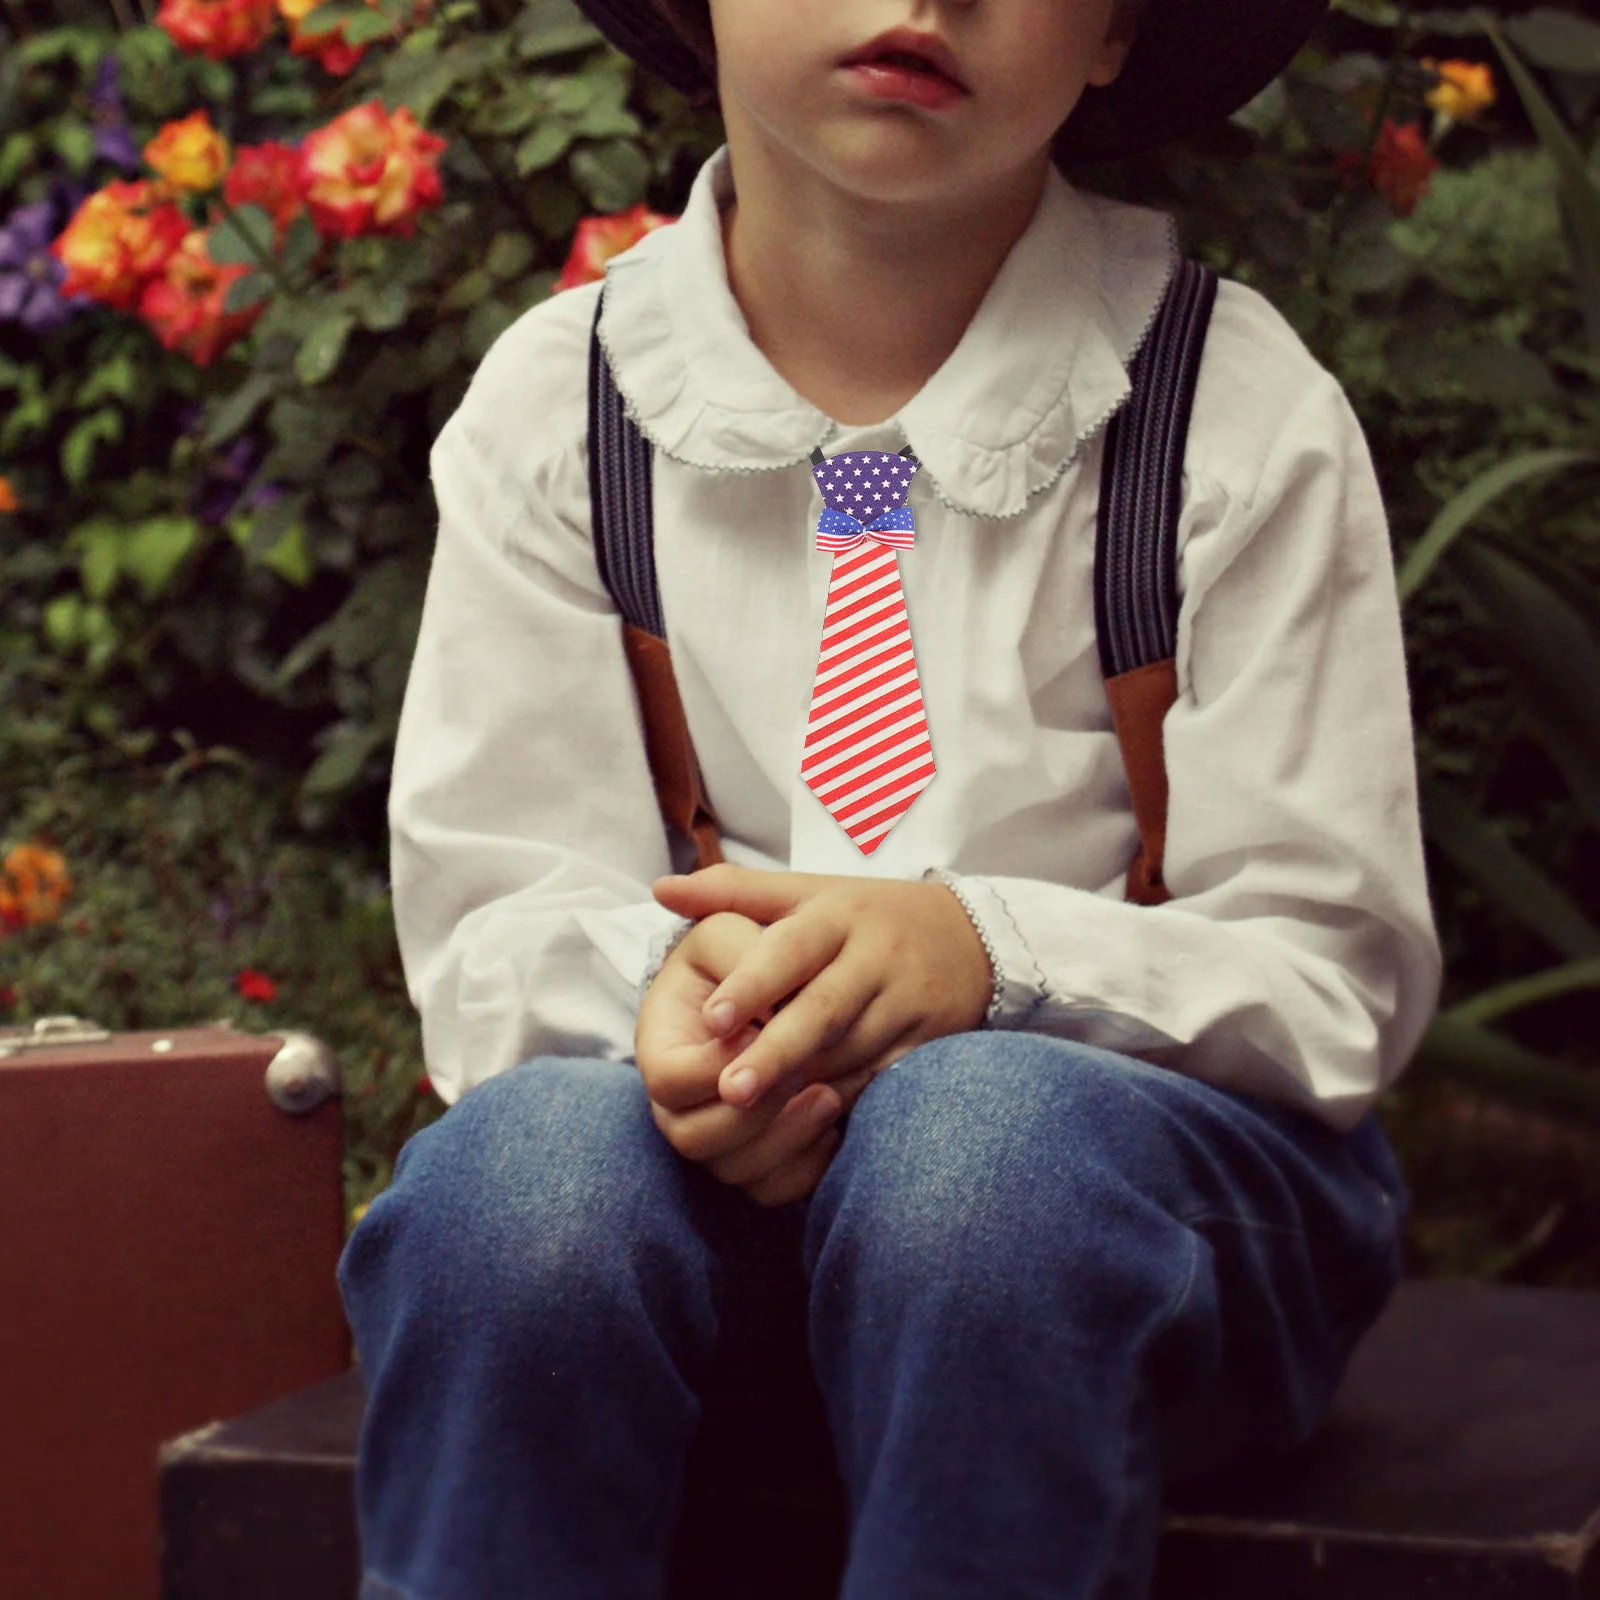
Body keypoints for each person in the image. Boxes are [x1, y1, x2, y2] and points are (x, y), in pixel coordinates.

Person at [336, 0, 1443, 1594]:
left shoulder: (1231, 412)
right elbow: (498, 913)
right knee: (513, 1196)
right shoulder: (561, 410)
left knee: (977, 1157)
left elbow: (1332, 977)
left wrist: (985, 956)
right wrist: (696, 1003)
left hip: (1133, 1249)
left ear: (1118, 30)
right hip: (701, 1224)